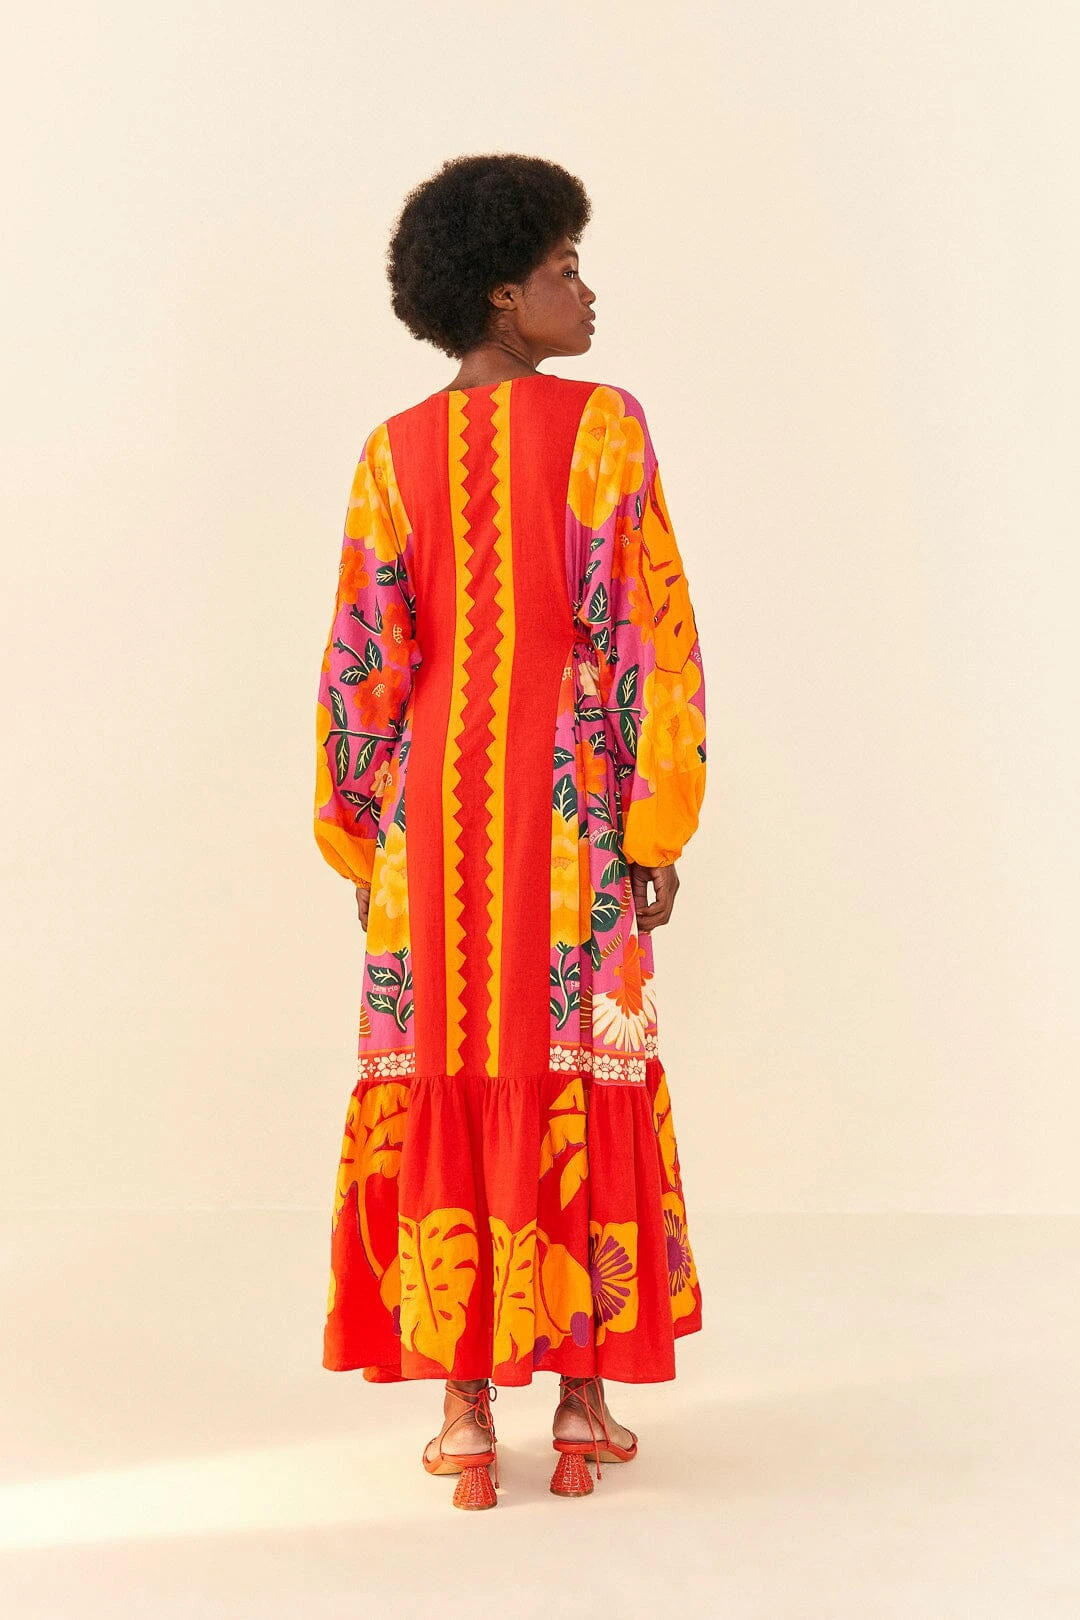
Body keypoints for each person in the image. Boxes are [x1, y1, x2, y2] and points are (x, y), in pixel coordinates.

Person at [313, 153, 708, 1509]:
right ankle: (583, 1405)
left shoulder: (391, 452)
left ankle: (467, 1415)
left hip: (430, 819)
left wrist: (364, 836)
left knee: (447, 1066)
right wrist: (654, 822)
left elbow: (363, 661)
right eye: (563, 270)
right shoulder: (603, 428)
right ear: (499, 294)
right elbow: (645, 629)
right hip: (570, 807)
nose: (586, 294)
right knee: (579, 1065)